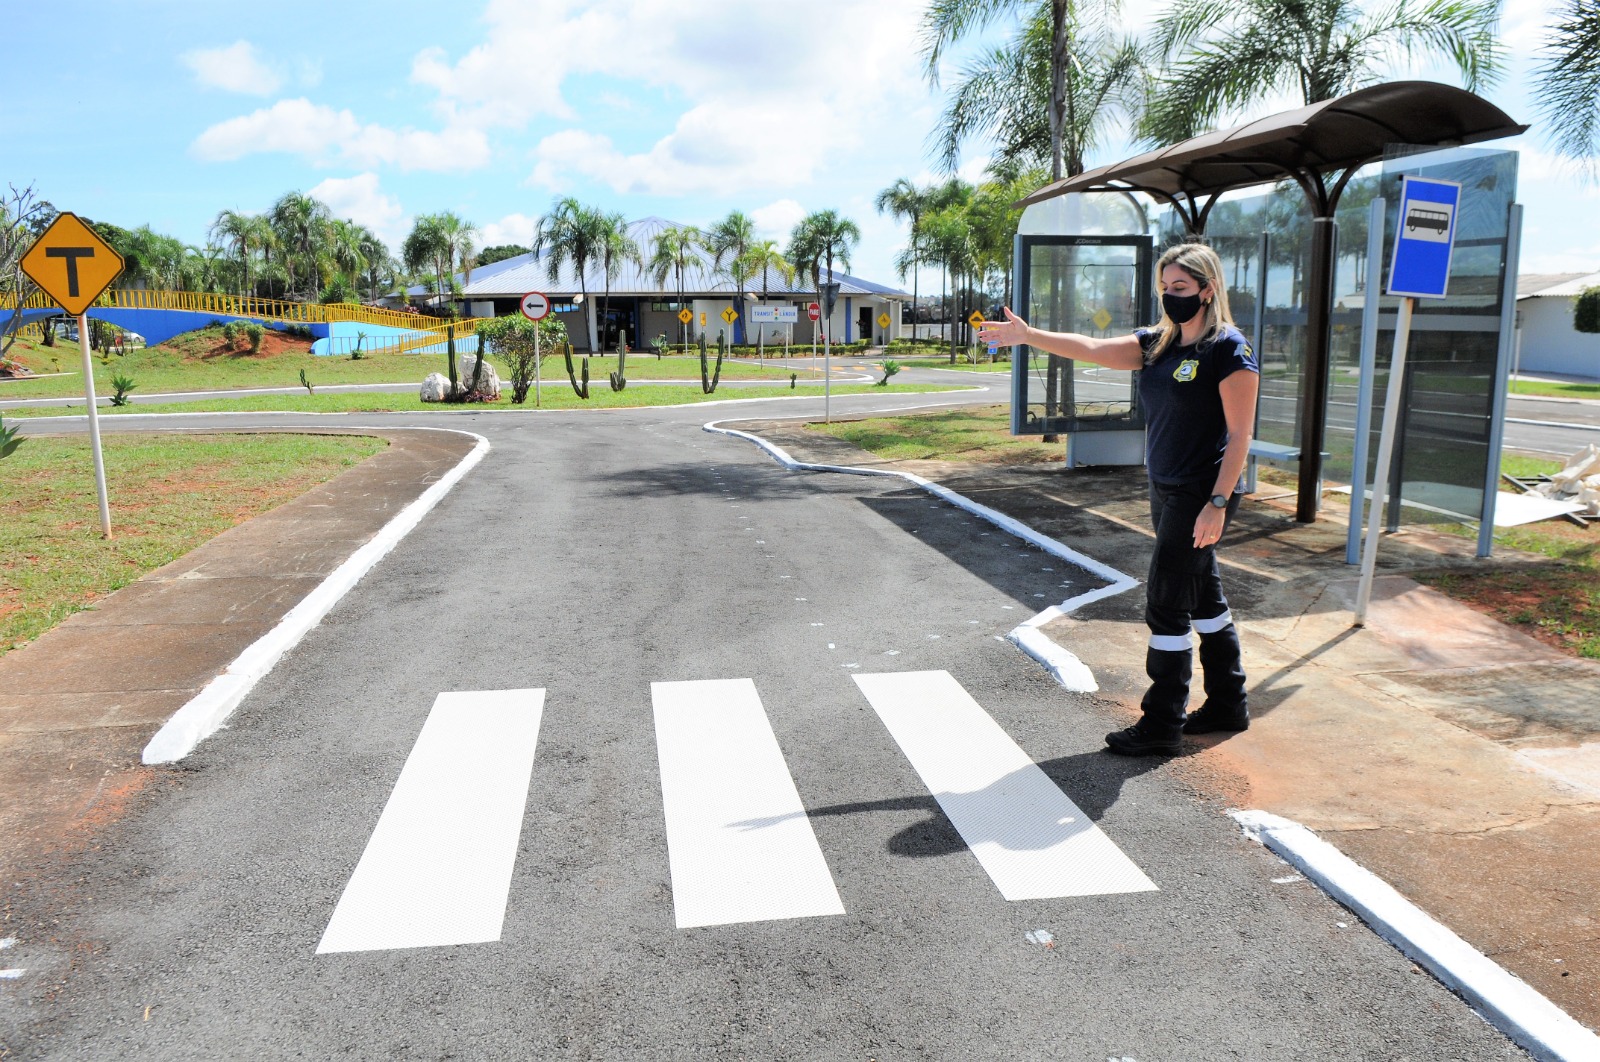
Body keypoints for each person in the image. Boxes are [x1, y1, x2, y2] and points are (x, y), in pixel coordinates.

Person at [979, 242, 1260, 756]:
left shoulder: (1228, 349)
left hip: (1202, 493)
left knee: (1166, 604)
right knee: (1204, 598)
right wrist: (1028, 336)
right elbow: (1089, 347)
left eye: (1180, 288)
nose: (1170, 297)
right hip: (1165, 486)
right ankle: (1228, 703)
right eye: (1164, 289)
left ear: (1207, 288)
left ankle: (1161, 723)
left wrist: (1217, 504)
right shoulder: (1157, 344)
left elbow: (1240, 435)